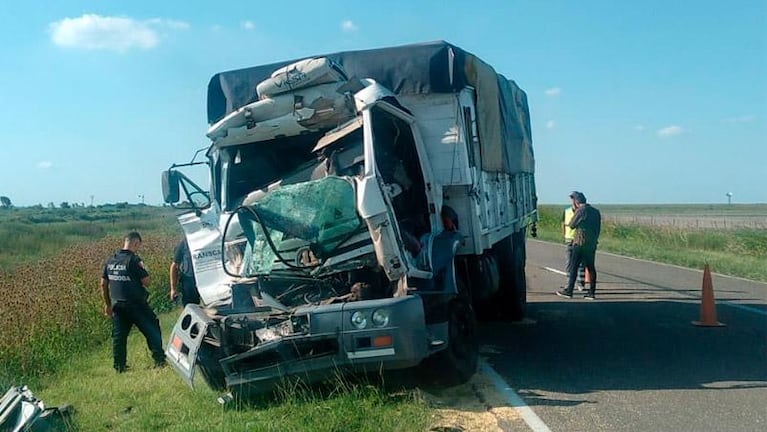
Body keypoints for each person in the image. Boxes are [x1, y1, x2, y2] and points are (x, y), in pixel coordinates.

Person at [100, 231, 165, 372]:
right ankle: (159, 360)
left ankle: (119, 366)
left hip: (118, 305)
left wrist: (107, 304)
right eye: (138, 246)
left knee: (119, 337)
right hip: (136, 305)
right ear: (135, 243)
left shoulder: (110, 260)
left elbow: (103, 284)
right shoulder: (134, 261)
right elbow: (147, 282)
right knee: (152, 328)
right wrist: (144, 269)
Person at [557, 192, 601, 300]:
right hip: (591, 243)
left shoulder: (581, 210)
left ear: (577, 202)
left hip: (580, 242)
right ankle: (591, 292)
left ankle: (569, 290)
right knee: (591, 267)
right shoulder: (596, 211)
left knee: (574, 266)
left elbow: (572, 225)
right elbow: (598, 228)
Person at [563, 192, 586, 291]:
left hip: (579, 240)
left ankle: (580, 283)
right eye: (571, 198)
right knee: (569, 263)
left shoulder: (582, 211)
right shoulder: (567, 211)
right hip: (569, 239)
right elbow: (563, 224)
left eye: (574, 198)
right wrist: (564, 235)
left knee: (581, 263)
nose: (572, 200)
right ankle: (569, 283)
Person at [169, 238, 200, 305]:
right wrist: (173, 289)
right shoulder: (184, 243)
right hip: (189, 280)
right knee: (192, 307)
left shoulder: (209, 239)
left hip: (205, 278)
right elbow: (174, 266)